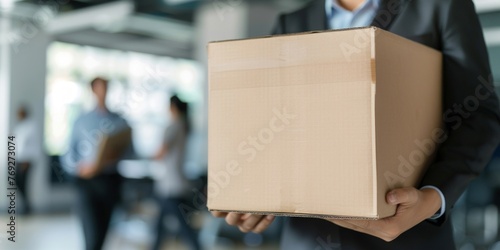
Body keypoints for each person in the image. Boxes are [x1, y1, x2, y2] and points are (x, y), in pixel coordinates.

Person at [212, 0, 500, 249]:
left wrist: (431, 199)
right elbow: (278, 130)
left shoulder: (439, 6)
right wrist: (257, 197)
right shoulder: (292, 22)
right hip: (307, 241)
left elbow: (479, 116)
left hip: (410, 241)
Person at [62, 77, 130, 250]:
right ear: (93, 90)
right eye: (100, 88)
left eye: (106, 88)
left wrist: (117, 154)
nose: (103, 92)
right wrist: (79, 167)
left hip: (110, 182)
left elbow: (132, 151)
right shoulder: (81, 120)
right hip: (88, 183)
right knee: (91, 235)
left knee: (102, 235)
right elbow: (68, 155)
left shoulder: (119, 121)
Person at [151, 95, 201, 250]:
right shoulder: (185, 126)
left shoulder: (173, 126)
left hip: (171, 186)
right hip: (177, 183)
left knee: (183, 228)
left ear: (172, 107)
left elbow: (160, 153)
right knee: (161, 225)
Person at [13, 105, 41, 215]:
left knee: (23, 183)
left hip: (26, 160)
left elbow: (32, 145)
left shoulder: (31, 126)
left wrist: (27, 160)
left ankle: (27, 206)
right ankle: (26, 204)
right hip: (19, 159)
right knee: (17, 181)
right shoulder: (20, 126)